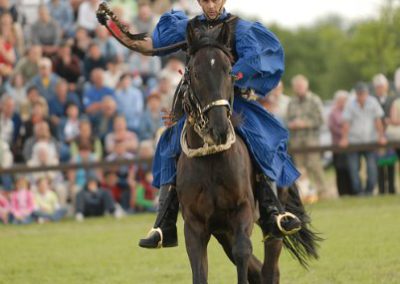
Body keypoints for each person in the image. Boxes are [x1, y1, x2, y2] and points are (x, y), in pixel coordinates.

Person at [99, 0, 301, 248]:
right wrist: (114, 27)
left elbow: (253, 60)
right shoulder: (187, 27)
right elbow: (149, 45)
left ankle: (272, 211)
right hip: (198, 106)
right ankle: (164, 223)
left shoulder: (241, 28)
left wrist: (228, 77)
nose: (211, 4)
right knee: (169, 143)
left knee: (262, 139)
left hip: (233, 101)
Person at [340, 82, 387, 195]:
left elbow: (378, 121)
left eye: (363, 93)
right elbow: (346, 123)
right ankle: (358, 191)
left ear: (367, 93)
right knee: (354, 169)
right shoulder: (350, 104)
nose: (361, 96)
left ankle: (369, 190)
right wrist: (344, 138)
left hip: (370, 140)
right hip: (354, 141)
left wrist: (381, 136)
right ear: (356, 94)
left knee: (371, 168)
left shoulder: (373, 102)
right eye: (359, 93)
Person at [287, 75, 327, 197]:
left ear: (306, 86)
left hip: (312, 139)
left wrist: (305, 124)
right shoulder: (291, 102)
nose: (299, 89)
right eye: (297, 87)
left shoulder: (315, 100)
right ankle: (305, 194)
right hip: (296, 140)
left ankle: (322, 192)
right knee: (300, 168)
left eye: (301, 86)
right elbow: (287, 119)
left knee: (315, 165)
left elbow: (321, 120)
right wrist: (292, 124)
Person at [372, 74, 397, 195]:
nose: (380, 89)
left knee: (390, 162)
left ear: (386, 87)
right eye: (377, 87)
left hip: (390, 134)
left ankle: (392, 188)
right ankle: (382, 189)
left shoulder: (392, 99)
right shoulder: (372, 100)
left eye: (381, 86)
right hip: (378, 135)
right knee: (379, 163)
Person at [328, 90, 353, 196]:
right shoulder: (333, 112)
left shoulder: (351, 111)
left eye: (344, 100)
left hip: (350, 145)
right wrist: (344, 132)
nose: (342, 102)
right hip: (337, 145)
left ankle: (352, 191)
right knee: (339, 168)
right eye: (340, 100)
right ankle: (342, 192)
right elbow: (332, 127)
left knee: (350, 168)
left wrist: (347, 133)